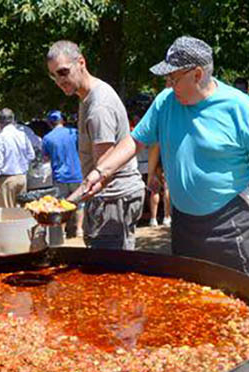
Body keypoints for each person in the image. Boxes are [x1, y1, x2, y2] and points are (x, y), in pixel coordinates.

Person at [74, 36, 249, 278]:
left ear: (197, 75)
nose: (168, 84)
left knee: (247, 298)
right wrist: (101, 171)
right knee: (190, 295)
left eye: (173, 78)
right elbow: (136, 141)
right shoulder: (165, 102)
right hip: (184, 223)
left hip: (232, 220)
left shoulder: (237, 106)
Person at [46, 40, 146, 250]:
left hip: (114, 198)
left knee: (109, 271)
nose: (59, 81)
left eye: (63, 72)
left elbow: (103, 172)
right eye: (53, 76)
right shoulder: (86, 97)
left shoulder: (98, 106)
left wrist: (64, 206)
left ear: (81, 62)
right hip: (106, 196)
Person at [43, 110, 83, 237]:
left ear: (50, 122)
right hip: (76, 173)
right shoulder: (73, 133)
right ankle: (79, 229)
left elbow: (46, 158)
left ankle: (62, 232)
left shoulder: (47, 138)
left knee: (61, 204)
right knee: (80, 203)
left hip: (59, 176)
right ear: (62, 120)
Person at [0, 108, 35, 208]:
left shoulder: (0, 137)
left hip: (7, 180)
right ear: (13, 120)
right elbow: (31, 155)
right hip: (22, 178)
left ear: (0, 122)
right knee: (22, 212)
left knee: (8, 214)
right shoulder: (22, 135)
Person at [146, 145, 171, 227]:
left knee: (155, 189)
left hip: (155, 155)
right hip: (167, 155)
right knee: (166, 188)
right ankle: (166, 217)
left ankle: (153, 218)